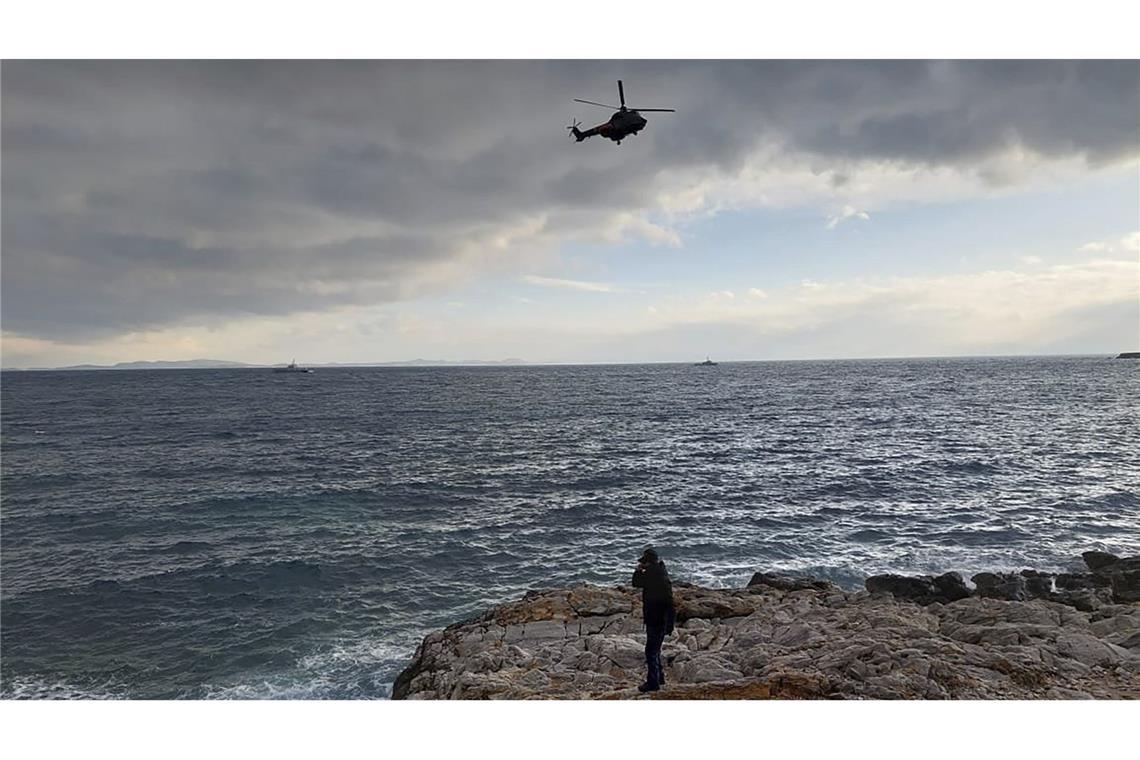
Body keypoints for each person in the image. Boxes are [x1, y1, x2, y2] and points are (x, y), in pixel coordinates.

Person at [631, 546, 675, 693]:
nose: (642, 564)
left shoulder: (651, 575)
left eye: (644, 563)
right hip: (662, 618)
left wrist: (638, 571)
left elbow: (636, 583)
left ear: (648, 563)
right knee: (655, 650)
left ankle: (653, 683)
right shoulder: (661, 572)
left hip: (655, 619)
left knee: (650, 651)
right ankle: (659, 677)